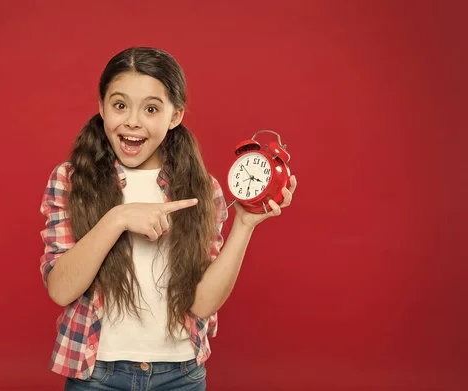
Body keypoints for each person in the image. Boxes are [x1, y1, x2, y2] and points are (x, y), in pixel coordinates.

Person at [39, 47, 297, 391]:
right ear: (101, 108)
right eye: (119, 105)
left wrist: (245, 223)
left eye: (150, 109)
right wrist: (118, 218)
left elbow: (202, 303)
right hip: (96, 374)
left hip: (180, 376)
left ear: (175, 115)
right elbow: (60, 288)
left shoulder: (203, 190)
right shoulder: (71, 180)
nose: (132, 121)